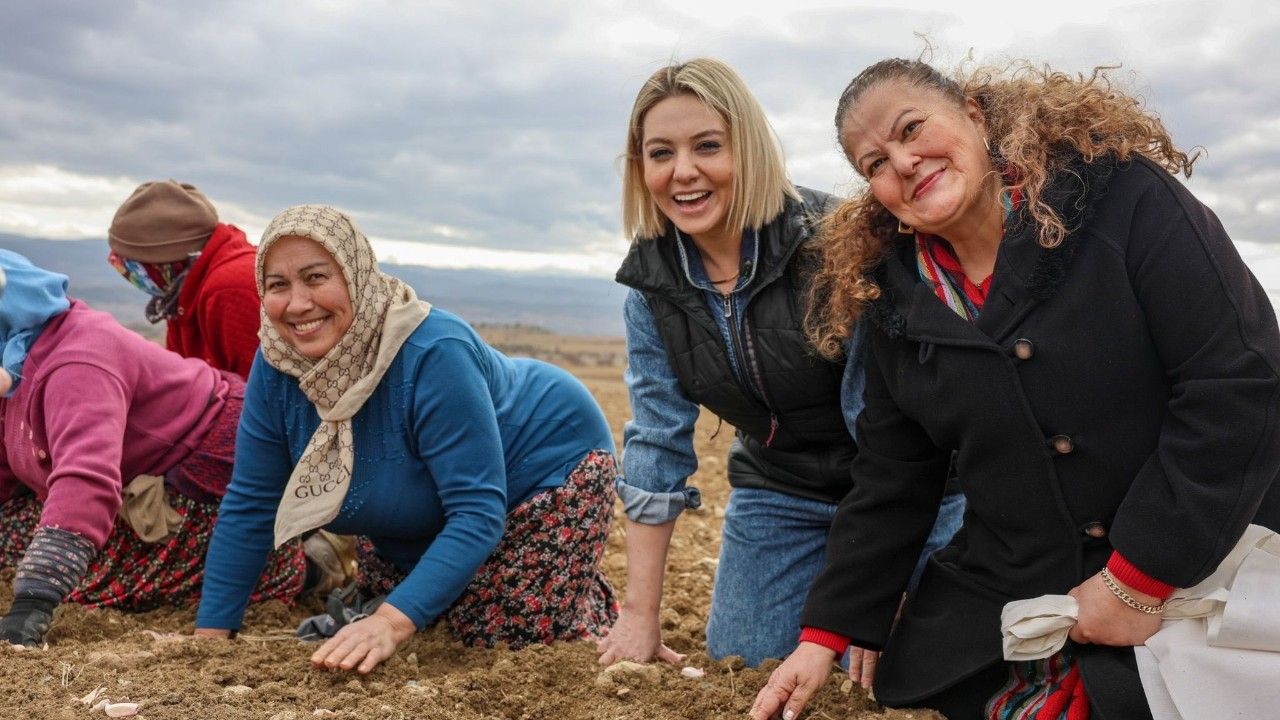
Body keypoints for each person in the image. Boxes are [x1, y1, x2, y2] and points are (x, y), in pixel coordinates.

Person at [751, 58, 1280, 720]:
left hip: (1204, 538)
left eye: (913, 129)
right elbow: (893, 479)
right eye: (875, 163)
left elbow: (1237, 378)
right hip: (1024, 569)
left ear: (974, 114)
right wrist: (826, 632)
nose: (904, 163)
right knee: (929, 679)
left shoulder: (1123, 197)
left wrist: (1136, 581)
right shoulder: (895, 302)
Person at [600, 57, 965, 669]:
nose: (683, 172)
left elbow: (884, 429)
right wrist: (639, 618)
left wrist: (871, 598)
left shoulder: (834, 244)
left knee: (901, 670)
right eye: (660, 153)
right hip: (781, 489)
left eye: (707, 146)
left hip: (906, 488)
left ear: (747, 148)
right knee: (743, 663)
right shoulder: (652, 286)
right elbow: (656, 443)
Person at [194, 204, 619, 674]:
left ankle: (576, 597)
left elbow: (477, 510)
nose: (297, 304)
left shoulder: (433, 351)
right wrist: (210, 635)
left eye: (316, 278)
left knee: (490, 638)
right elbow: (252, 500)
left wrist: (390, 624)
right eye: (278, 286)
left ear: (356, 275)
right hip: (415, 505)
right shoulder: (277, 364)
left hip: (545, 464)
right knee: (421, 613)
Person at [0, 249, 303, 647]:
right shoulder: (16, 358)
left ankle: (287, 562)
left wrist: (32, 603)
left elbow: (86, 479)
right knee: (13, 540)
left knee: (92, 583)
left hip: (205, 474)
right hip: (135, 474)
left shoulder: (78, 362)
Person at [107, 179, 260, 378]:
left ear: (164, 261)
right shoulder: (185, 287)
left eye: (133, 265)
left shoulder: (229, 289)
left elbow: (260, 394)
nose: (132, 276)